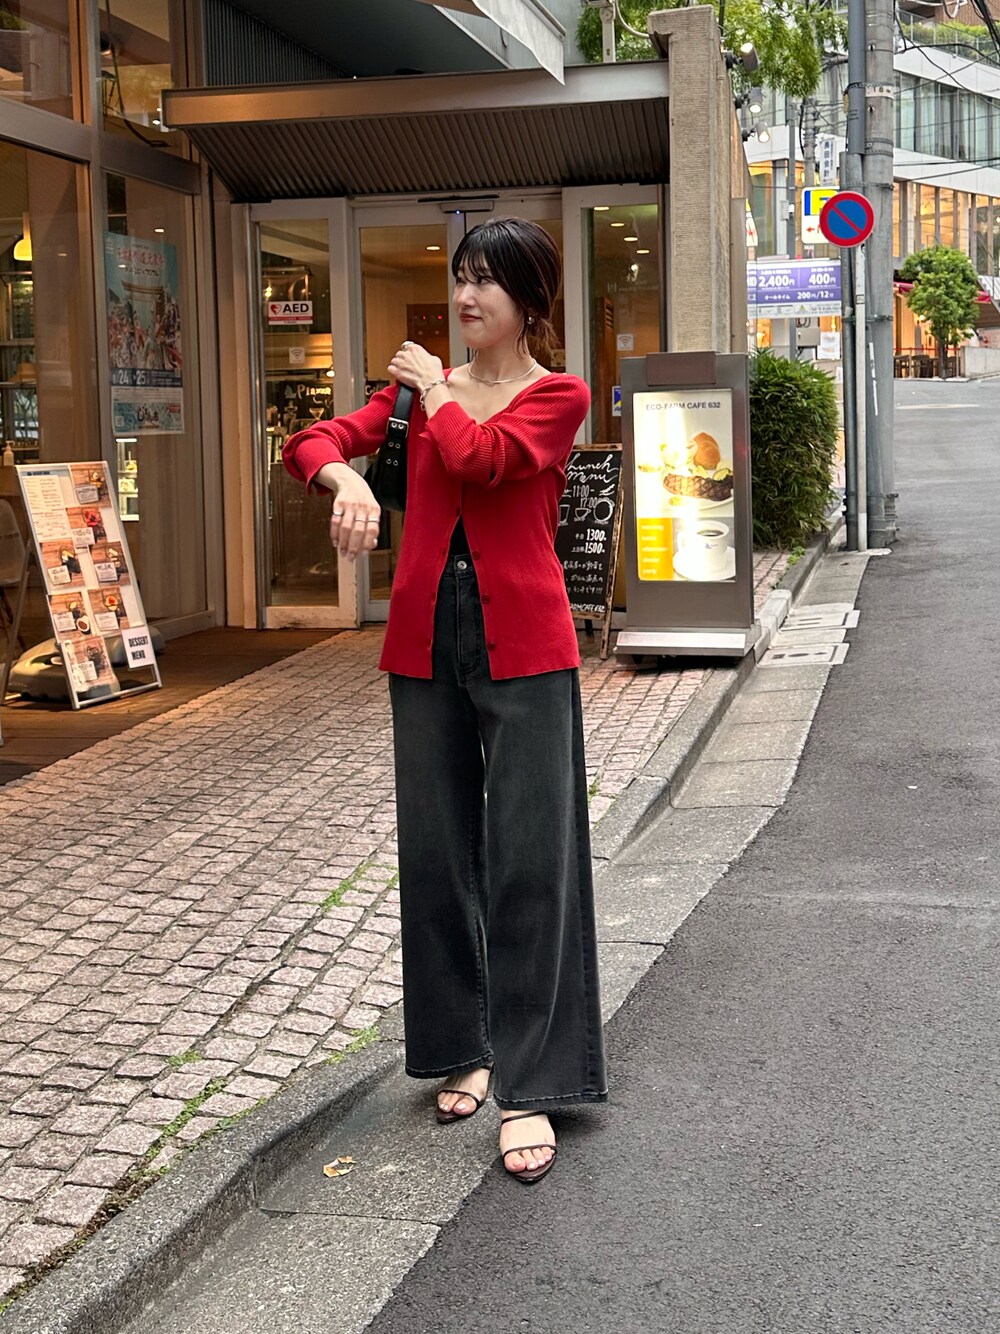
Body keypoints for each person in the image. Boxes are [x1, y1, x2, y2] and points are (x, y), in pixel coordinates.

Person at [283, 216, 607, 1185]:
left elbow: (482, 461)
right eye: (461, 276)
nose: (466, 295)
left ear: (530, 300)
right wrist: (344, 478)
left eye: (487, 281)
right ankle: (462, 1044)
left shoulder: (556, 395)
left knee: (530, 861)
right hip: (424, 643)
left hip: (527, 647)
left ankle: (534, 1081)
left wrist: (432, 390)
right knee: (436, 854)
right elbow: (310, 440)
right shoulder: (412, 398)